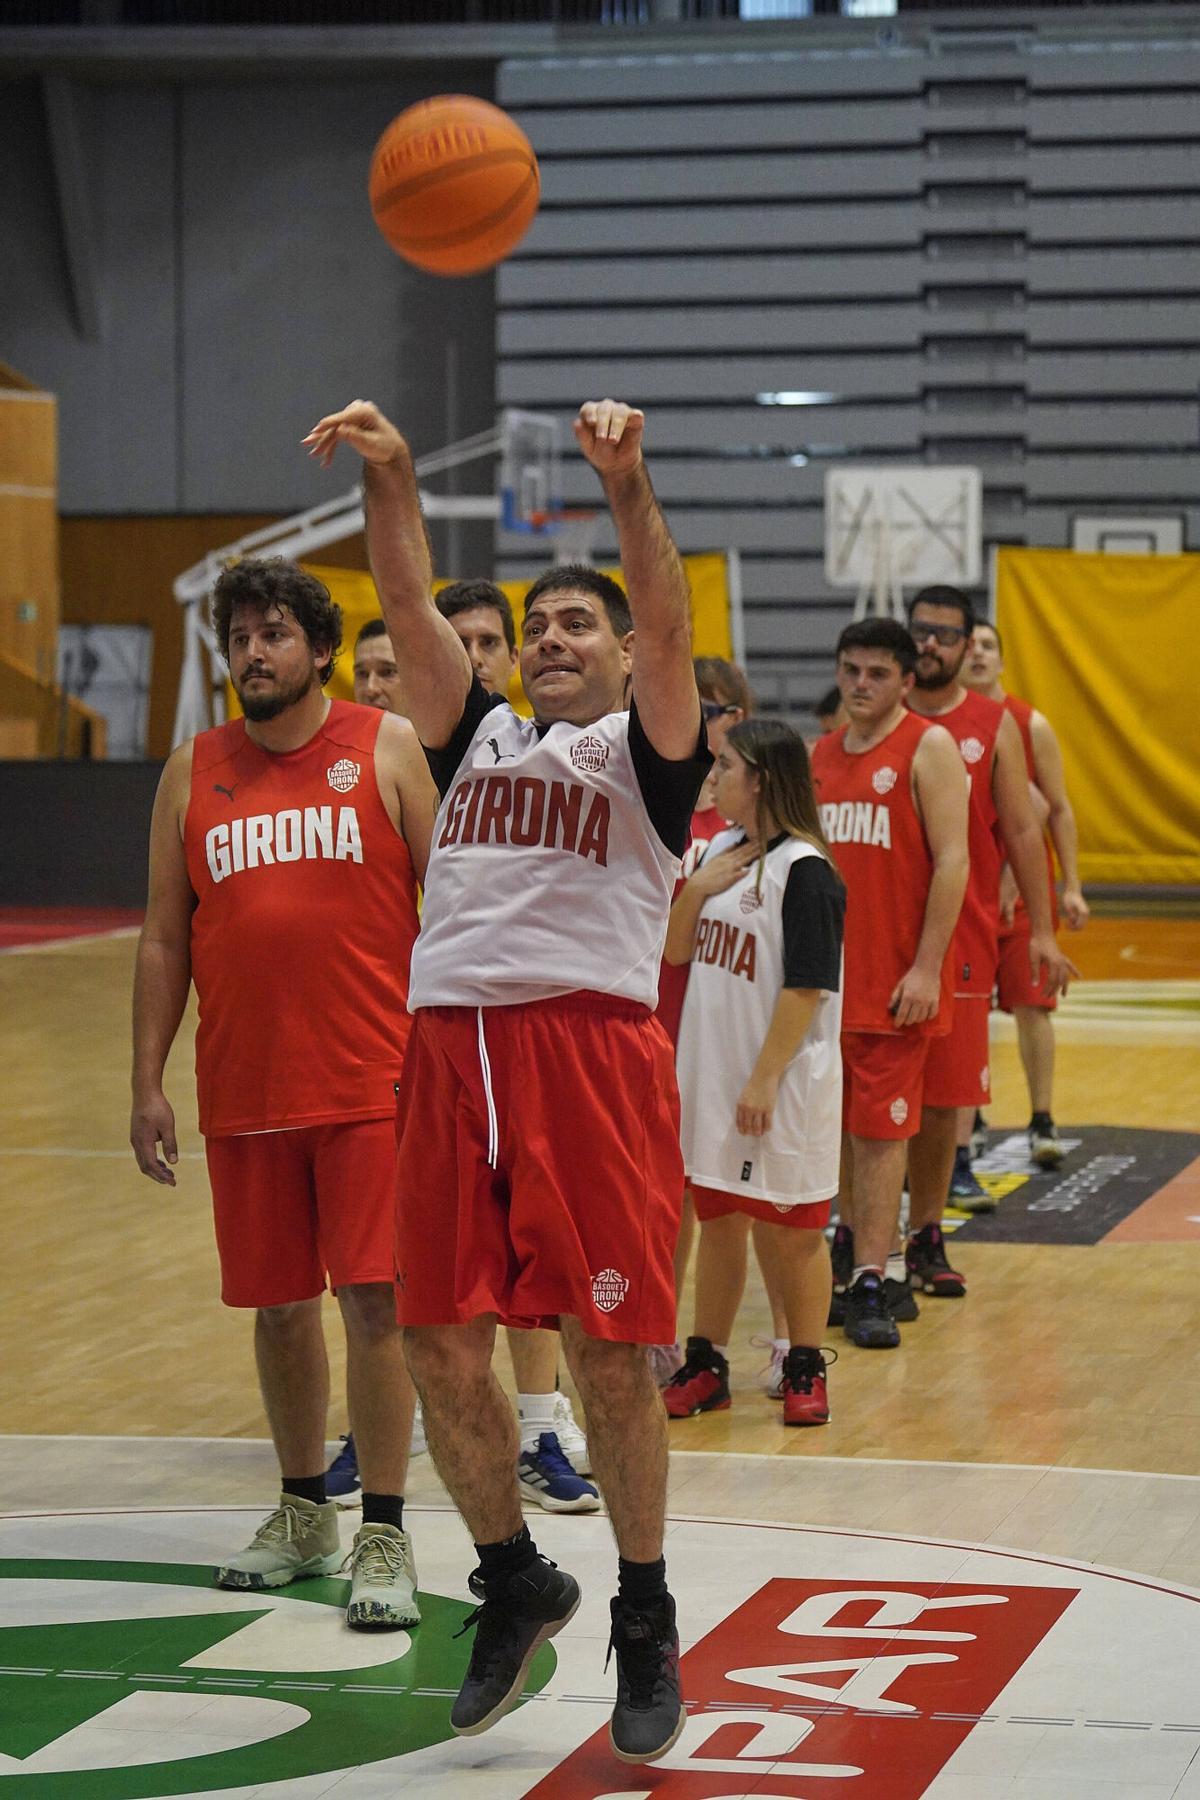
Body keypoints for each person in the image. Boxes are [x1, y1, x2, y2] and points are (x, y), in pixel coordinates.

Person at [303, 394, 709, 1765]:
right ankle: (513, 1578)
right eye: (535, 625)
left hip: (582, 1055)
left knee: (606, 1355)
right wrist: (397, 475)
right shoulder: (471, 736)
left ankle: (645, 1621)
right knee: (433, 1338)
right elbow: (407, 595)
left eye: (572, 623)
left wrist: (628, 485)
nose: (548, 638)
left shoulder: (649, 753)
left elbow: (665, 620)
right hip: (447, 1052)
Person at [130, 558, 437, 1627]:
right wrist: (146, 1082)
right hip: (245, 1087)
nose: (253, 654)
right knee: (276, 1306)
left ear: (317, 647)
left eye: (273, 635)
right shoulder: (192, 768)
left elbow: (449, 915)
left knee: (376, 1303)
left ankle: (385, 1529)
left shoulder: (383, 747)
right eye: (239, 638)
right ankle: (305, 1511)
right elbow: (167, 937)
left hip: (373, 1080)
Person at [435, 582, 597, 1506]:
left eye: (491, 640)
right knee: (403, 1274)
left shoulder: (535, 753)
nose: (480, 656)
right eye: (461, 643)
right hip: (420, 1023)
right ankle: (383, 1425)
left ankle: (540, 1421)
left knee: (533, 1246)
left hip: (519, 1026)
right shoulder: (404, 748)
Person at [663, 719, 846, 1424]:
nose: (714, 778)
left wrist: (765, 1079)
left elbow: (806, 988)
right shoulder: (716, 851)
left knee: (795, 1230)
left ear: (762, 780)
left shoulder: (808, 872)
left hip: (781, 1082)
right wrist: (694, 889)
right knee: (719, 1221)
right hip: (713, 1077)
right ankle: (706, 1361)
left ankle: (804, 1364)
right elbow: (675, 953)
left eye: (726, 766)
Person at [903, 587, 1077, 1275]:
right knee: (871, 1096)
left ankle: (926, 1234)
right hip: (881, 934)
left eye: (947, 634)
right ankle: (860, 1246)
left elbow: (1025, 829)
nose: (932, 644)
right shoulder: (878, 716)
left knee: (946, 1102)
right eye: (920, 631)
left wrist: (1042, 928)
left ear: (967, 643)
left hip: (965, 936)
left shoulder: (996, 722)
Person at [811, 619, 969, 1349]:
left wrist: (928, 967)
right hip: (825, 986)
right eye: (850, 670)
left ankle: (875, 1275)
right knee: (839, 1133)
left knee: (881, 1138)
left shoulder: (927, 748)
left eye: (877, 673)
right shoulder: (820, 754)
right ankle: (854, 1258)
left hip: (894, 982)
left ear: (907, 681)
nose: (860, 685)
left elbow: (954, 862)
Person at [964, 620, 1089, 1168]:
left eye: (988, 645)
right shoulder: (940, 723)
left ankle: (1042, 1115)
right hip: (966, 895)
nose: (977, 654)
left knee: (1032, 1007)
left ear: (1003, 661)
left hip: (1015, 896)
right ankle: (968, 1118)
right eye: (969, 646)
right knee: (964, 1015)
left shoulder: (1027, 723)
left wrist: (1072, 887)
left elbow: (1049, 809)